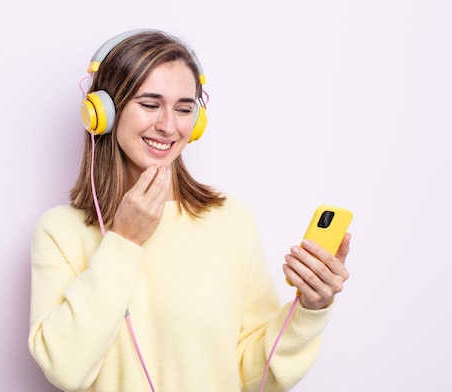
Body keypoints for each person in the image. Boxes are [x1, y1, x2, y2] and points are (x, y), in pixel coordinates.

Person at [28, 28, 351, 392]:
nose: (169, 126)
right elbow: (65, 369)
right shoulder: (59, 231)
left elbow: (255, 375)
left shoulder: (232, 220)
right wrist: (123, 241)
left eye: (184, 109)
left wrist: (310, 309)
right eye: (150, 105)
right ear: (103, 112)